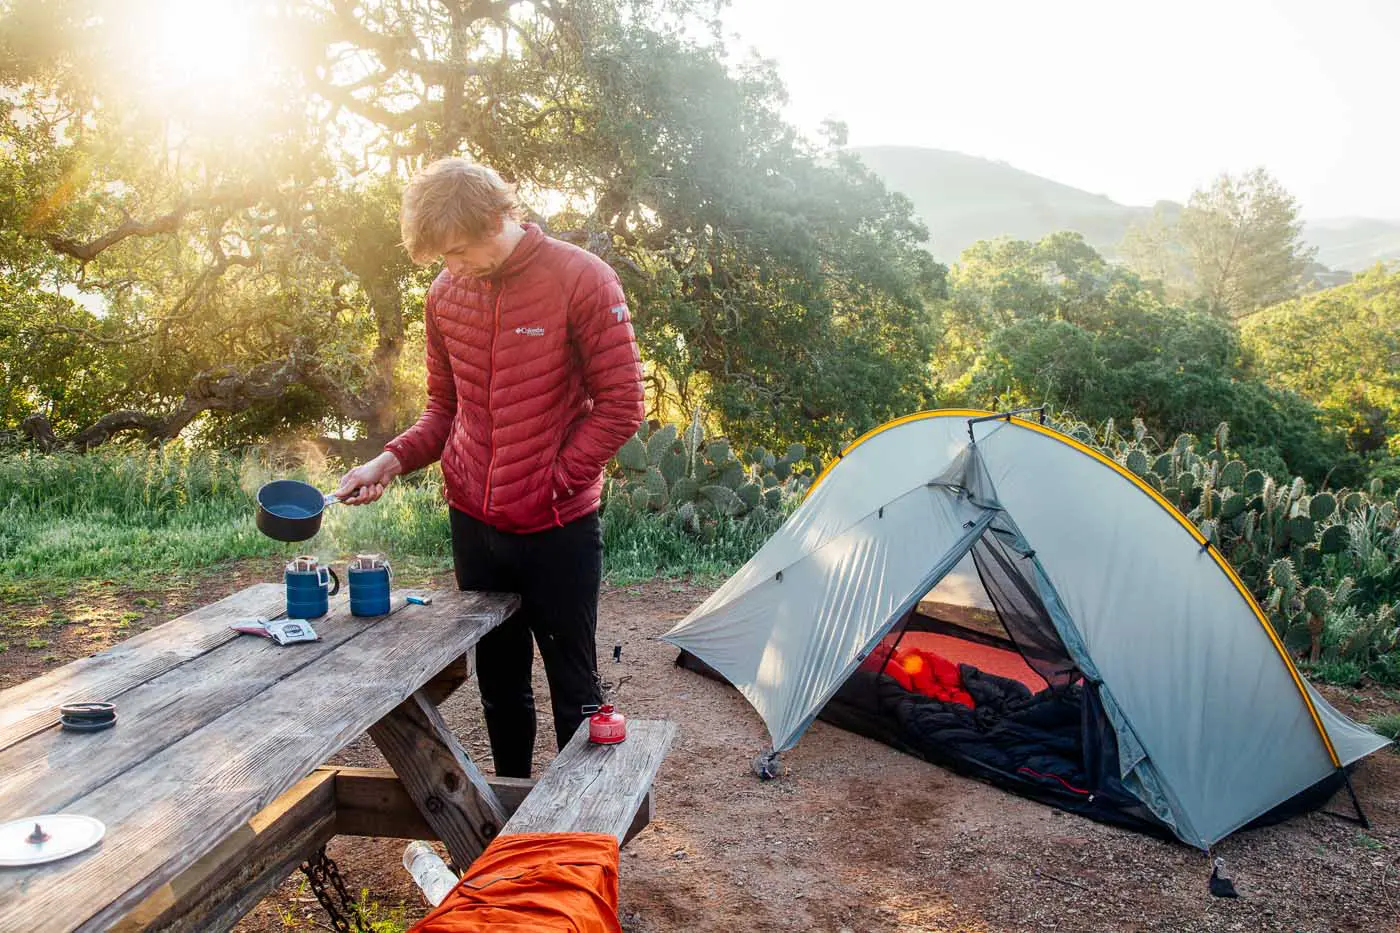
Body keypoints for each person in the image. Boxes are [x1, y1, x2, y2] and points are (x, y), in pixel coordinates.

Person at [336, 158, 644, 778]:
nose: (451, 267)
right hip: (475, 525)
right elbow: (444, 411)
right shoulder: (447, 294)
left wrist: (553, 481)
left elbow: (621, 407)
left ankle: (570, 834)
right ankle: (508, 814)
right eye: (439, 257)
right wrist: (390, 460)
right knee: (499, 683)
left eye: (457, 250)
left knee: (573, 685)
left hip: (558, 528)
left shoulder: (584, 280)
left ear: (500, 217)